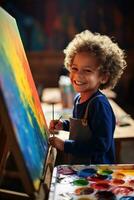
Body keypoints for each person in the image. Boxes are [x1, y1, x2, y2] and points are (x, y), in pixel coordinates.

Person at [49, 30, 126, 164]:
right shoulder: (78, 98)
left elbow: (101, 145)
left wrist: (65, 145)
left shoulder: (99, 105)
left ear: (103, 77)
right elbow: (84, 129)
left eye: (87, 70)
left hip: (98, 172)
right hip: (81, 166)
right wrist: (64, 125)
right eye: (74, 68)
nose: (78, 75)